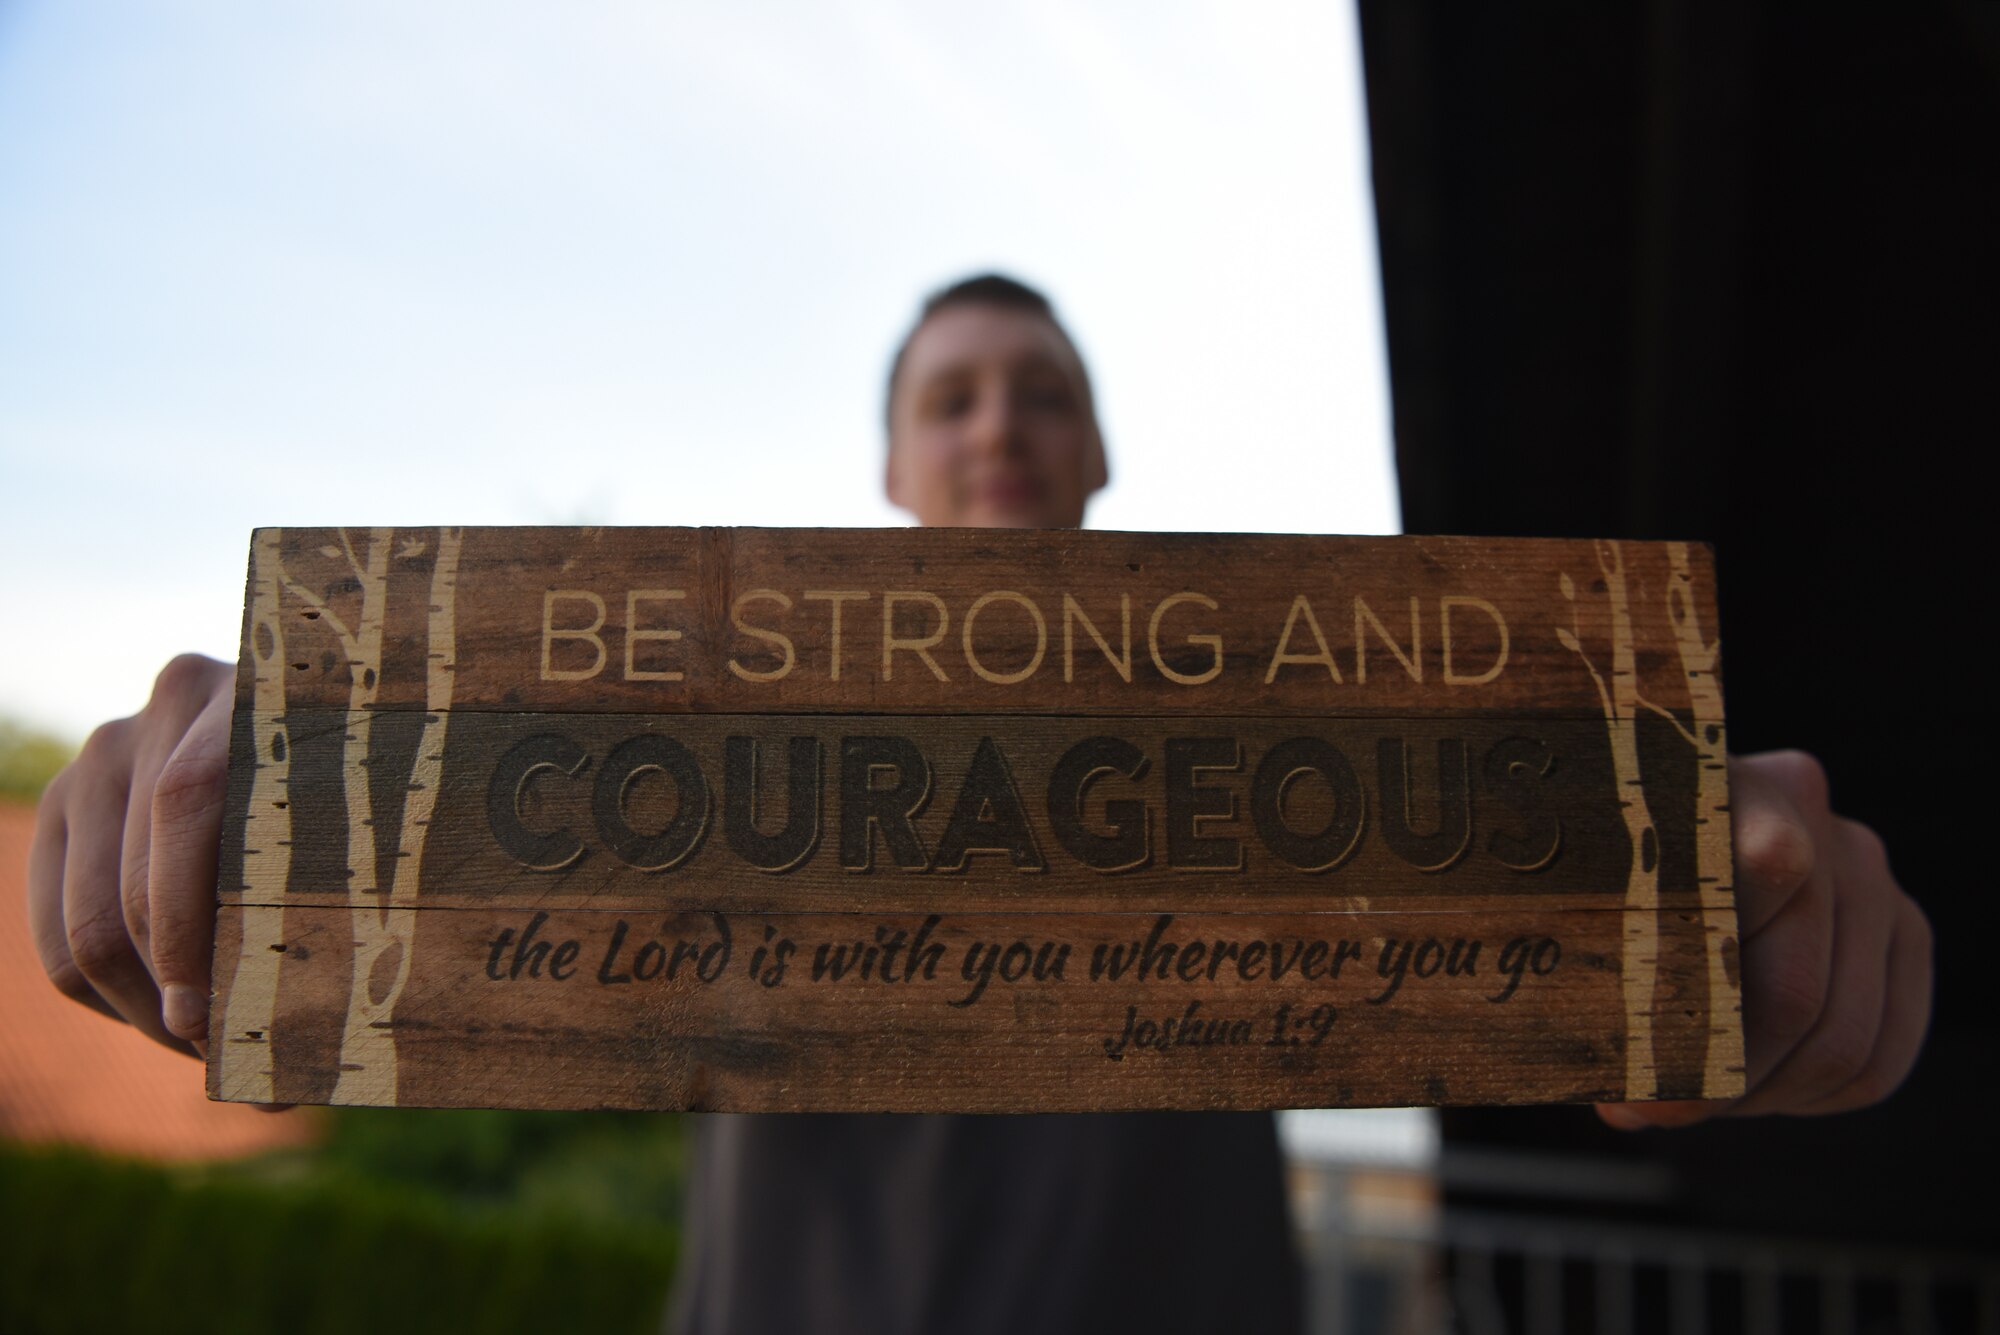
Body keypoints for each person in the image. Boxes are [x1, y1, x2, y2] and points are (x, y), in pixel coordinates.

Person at [26, 274, 1934, 1334]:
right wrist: (179, 815)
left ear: (1100, 453)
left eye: (1039, 391)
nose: (999, 423)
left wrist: (1744, 916)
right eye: (954, 396)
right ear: (891, 467)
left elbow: (1610, 910)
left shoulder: (1310, 716)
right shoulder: (667, 722)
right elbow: (366, 839)